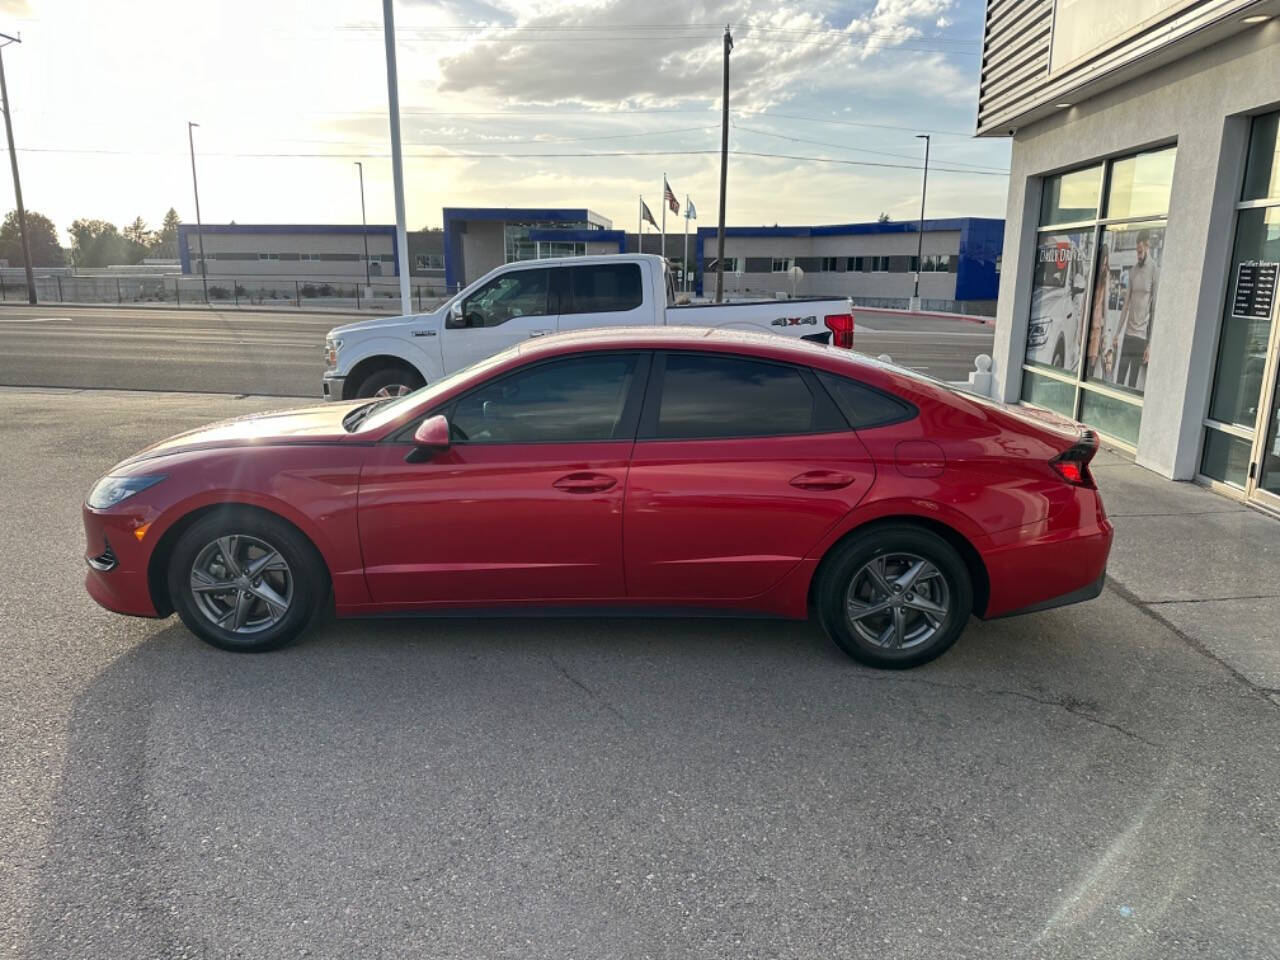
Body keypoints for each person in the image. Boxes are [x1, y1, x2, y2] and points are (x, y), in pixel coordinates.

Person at [1112, 230, 1158, 389]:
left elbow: (1154, 310)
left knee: (1132, 383)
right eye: (1136, 252)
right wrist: (1117, 333)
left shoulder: (1154, 271)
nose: (1138, 255)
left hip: (1141, 337)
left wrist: (1150, 344)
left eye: (1140, 252)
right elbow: (1126, 305)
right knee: (1119, 379)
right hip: (1128, 335)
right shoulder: (1132, 271)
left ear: (1147, 247)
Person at [1087, 245, 1111, 380]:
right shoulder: (1092, 274)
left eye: (1106, 261)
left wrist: (1105, 334)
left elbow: (1106, 308)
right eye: (1103, 261)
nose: (1104, 264)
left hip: (1097, 328)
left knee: (1092, 365)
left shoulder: (1105, 276)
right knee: (1085, 362)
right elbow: (1085, 302)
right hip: (1088, 327)